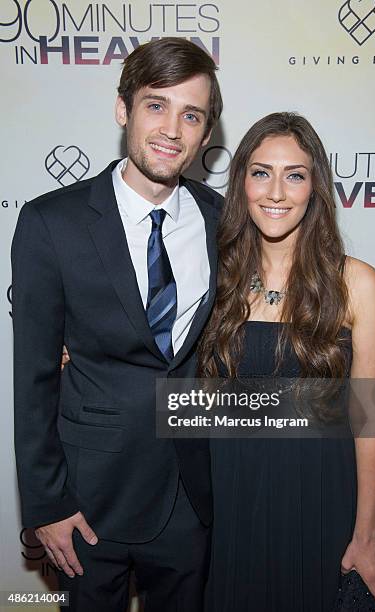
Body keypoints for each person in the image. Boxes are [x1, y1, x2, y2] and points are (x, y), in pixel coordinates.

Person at [11, 37, 223, 612]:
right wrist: (46, 506)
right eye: (156, 105)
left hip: (192, 492)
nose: (172, 129)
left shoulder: (223, 221)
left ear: (207, 133)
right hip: (88, 497)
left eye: (192, 114)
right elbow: (32, 379)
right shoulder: (50, 222)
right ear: (122, 109)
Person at [198, 112, 375, 611]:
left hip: (319, 498)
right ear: (241, 179)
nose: (276, 193)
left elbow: (368, 423)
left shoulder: (357, 283)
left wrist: (367, 536)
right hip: (225, 500)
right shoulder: (209, 278)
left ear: (315, 188)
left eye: (295, 175)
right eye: (261, 172)